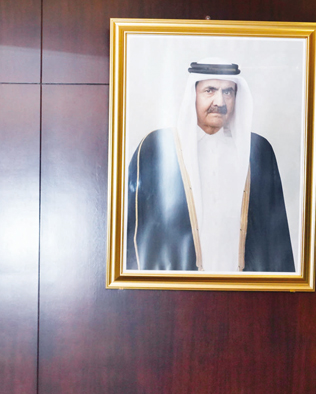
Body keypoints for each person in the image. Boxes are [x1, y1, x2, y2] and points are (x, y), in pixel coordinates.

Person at [126, 60, 295, 273]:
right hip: (178, 293)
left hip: (245, 291)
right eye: (210, 90)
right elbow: (136, 232)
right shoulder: (157, 148)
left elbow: (276, 236)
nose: (220, 101)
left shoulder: (259, 151)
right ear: (192, 95)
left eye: (228, 92)